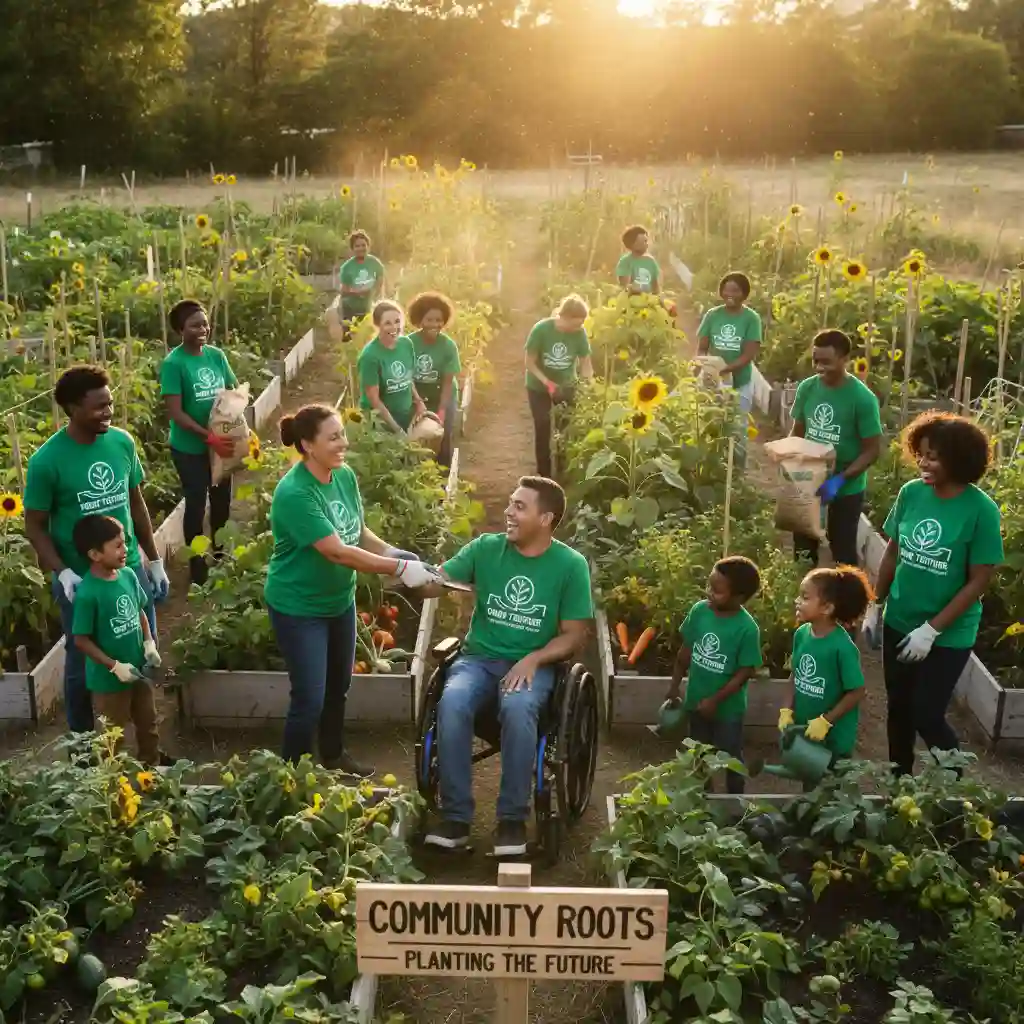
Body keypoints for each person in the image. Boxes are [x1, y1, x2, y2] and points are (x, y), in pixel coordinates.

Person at [419, 476, 593, 857]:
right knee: (452, 701)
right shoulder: (485, 549)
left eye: (519, 507)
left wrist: (534, 658)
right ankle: (455, 818)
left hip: (534, 665)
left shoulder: (570, 565)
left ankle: (512, 820)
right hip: (478, 659)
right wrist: (414, 575)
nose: (508, 514)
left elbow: (574, 635)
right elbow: (441, 580)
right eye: (510, 504)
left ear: (546, 518)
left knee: (517, 706)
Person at [265, 404, 442, 773]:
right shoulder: (295, 493)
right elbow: (337, 552)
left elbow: (357, 532)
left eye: (342, 433)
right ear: (307, 445)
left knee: (338, 687)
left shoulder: (342, 476)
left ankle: (332, 755)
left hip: (337, 602)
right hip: (299, 608)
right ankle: (291, 777)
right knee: (309, 698)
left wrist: (393, 552)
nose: (343, 443)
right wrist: (398, 567)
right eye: (333, 437)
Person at [24, 365, 169, 734]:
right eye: (98, 407)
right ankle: (84, 744)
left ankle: (145, 746)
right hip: (82, 579)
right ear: (73, 408)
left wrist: (153, 561)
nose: (108, 413)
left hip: (129, 569)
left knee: (142, 649)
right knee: (81, 661)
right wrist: (63, 571)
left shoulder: (121, 442)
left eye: (110, 404)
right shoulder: (47, 461)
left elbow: (136, 504)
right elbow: (35, 525)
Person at [863, 412, 1003, 776]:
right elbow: (893, 551)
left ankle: (954, 786)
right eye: (921, 454)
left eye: (934, 457)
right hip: (901, 618)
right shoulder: (912, 494)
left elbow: (978, 581)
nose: (924, 463)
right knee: (899, 709)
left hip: (948, 634)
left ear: (959, 460)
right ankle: (900, 782)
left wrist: (932, 629)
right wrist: (875, 604)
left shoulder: (981, 511)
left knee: (926, 712)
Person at [665, 556, 762, 795]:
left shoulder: (747, 629)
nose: (709, 593)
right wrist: (674, 685)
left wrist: (715, 701)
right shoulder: (699, 612)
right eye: (709, 586)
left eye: (717, 591)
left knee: (730, 754)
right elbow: (684, 652)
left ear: (739, 597)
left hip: (728, 709)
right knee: (697, 752)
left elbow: (744, 673)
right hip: (696, 701)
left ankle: (735, 799)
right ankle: (702, 796)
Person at [71, 515, 164, 764]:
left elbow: (140, 611)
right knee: (112, 738)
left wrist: (148, 643)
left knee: (148, 724)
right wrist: (113, 665)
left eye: (124, 543)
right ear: (95, 554)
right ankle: (114, 786)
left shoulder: (128, 577)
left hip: (138, 670)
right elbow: (81, 639)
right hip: (108, 682)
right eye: (118, 546)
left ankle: (151, 771)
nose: (126, 550)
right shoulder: (88, 594)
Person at [160, 299, 239, 586]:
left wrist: (234, 424)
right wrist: (210, 438)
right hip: (190, 448)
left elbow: (232, 390)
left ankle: (219, 555)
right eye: (194, 325)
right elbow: (176, 414)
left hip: (219, 445)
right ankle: (197, 565)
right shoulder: (174, 364)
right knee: (195, 504)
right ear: (181, 329)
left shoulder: (216, 356)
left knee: (221, 502)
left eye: (204, 323)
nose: (202, 329)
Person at [790, 329, 882, 567]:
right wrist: (790, 461)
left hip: (846, 485)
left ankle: (846, 600)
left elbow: (872, 451)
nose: (819, 367)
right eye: (816, 361)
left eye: (827, 362)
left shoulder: (862, 399)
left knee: (842, 549)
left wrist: (839, 481)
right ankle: (806, 596)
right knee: (803, 546)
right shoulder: (808, 388)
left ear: (845, 360)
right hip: (809, 476)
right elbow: (798, 432)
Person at [779, 566, 872, 769]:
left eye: (805, 597)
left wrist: (826, 721)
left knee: (830, 792)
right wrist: (786, 709)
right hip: (808, 731)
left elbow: (857, 692)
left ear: (827, 608)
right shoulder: (802, 634)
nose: (797, 601)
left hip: (833, 738)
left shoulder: (842, 647)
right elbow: (795, 674)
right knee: (810, 782)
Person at [696, 272, 763, 465]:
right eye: (726, 289)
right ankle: (712, 467)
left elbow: (748, 355)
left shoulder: (751, 319)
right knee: (709, 422)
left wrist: (724, 369)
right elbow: (702, 347)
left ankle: (737, 474)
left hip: (740, 380)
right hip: (712, 381)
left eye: (735, 290)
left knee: (737, 428)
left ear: (744, 294)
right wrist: (703, 365)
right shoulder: (712, 315)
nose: (729, 293)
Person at [524, 295, 594, 478]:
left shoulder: (579, 333)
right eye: (575, 324)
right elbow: (529, 362)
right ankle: (544, 473)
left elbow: (586, 363)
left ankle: (562, 471)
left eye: (580, 325)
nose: (577, 328)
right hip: (538, 386)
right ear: (563, 317)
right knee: (543, 424)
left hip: (566, 386)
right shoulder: (541, 329)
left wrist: (589, 385)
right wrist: (547, 383)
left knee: (565, 430)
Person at [407, 291, 461, 467]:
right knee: (417, 438)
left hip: (443, 395)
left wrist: (442, 410)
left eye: (438, 320)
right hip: (416, 394)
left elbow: (447, 382)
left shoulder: (448, 346)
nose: (434, 324)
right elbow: (406, 377)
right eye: (429, 319)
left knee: (442, 436)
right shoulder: (408, 344)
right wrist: (417, 401)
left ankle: (443, 478)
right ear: (419, 320)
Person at [358, 300, 425, 434]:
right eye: (387, 323)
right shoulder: (370, 356)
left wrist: (418, 401)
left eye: (397, 321)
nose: (394, 327)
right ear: (378, 325)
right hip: (380, 421)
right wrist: (396, 429)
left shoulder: (406, 344)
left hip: (405, 415)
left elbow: (407, 378)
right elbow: (374, 400)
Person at [338, 230, 385, 333]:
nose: (361, 248)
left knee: (369, 335)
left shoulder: (375, 263)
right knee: (350, 337)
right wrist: (357, 292)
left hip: (370, 307)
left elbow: (380, 281)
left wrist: (373, 293)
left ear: (368, 246)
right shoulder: (347, 267)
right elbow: (343, 290)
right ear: (352, 248)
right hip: (351, 309)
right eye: (357, 246)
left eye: (363, 245)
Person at [616, 226, 661, 295]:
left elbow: (656, 287)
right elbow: (625, 287)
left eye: (647, 241)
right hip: (631, 301)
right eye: (644, 242)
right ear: (632, 244)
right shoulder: (625, 262)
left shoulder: (651, 261)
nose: (647, 245)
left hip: (648, 301)